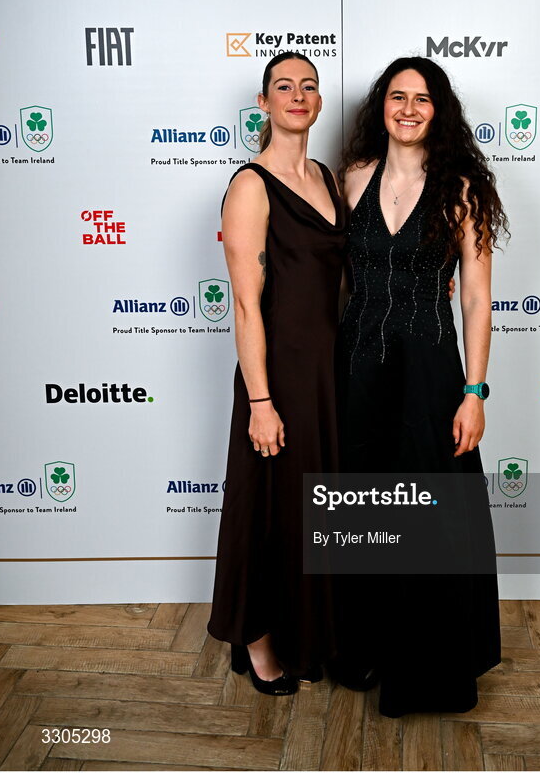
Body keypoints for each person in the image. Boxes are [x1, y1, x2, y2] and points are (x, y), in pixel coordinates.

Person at [334, 56, 507, 717]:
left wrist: (474, 391)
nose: (408, 108)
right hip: (355, 369)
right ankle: (364, 646)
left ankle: (428, 669)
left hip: (431, 375)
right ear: (381, 106)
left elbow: (477, 300)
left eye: (422, 99)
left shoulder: (460, 188)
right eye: (397, 97)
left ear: (439, 111)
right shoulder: (351, 181)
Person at [207, 52, 346, 695]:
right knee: (266, 508)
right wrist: (260, 400)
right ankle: (257, 643)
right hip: (278, 376)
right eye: (284, 86)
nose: (298, 95)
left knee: (310, 512)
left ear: (319, 102)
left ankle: (305, 633)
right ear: (263, 103)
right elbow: (244, 303)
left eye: (309, 86)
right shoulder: (250, 185)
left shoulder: (327, 176)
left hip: (328, 372)